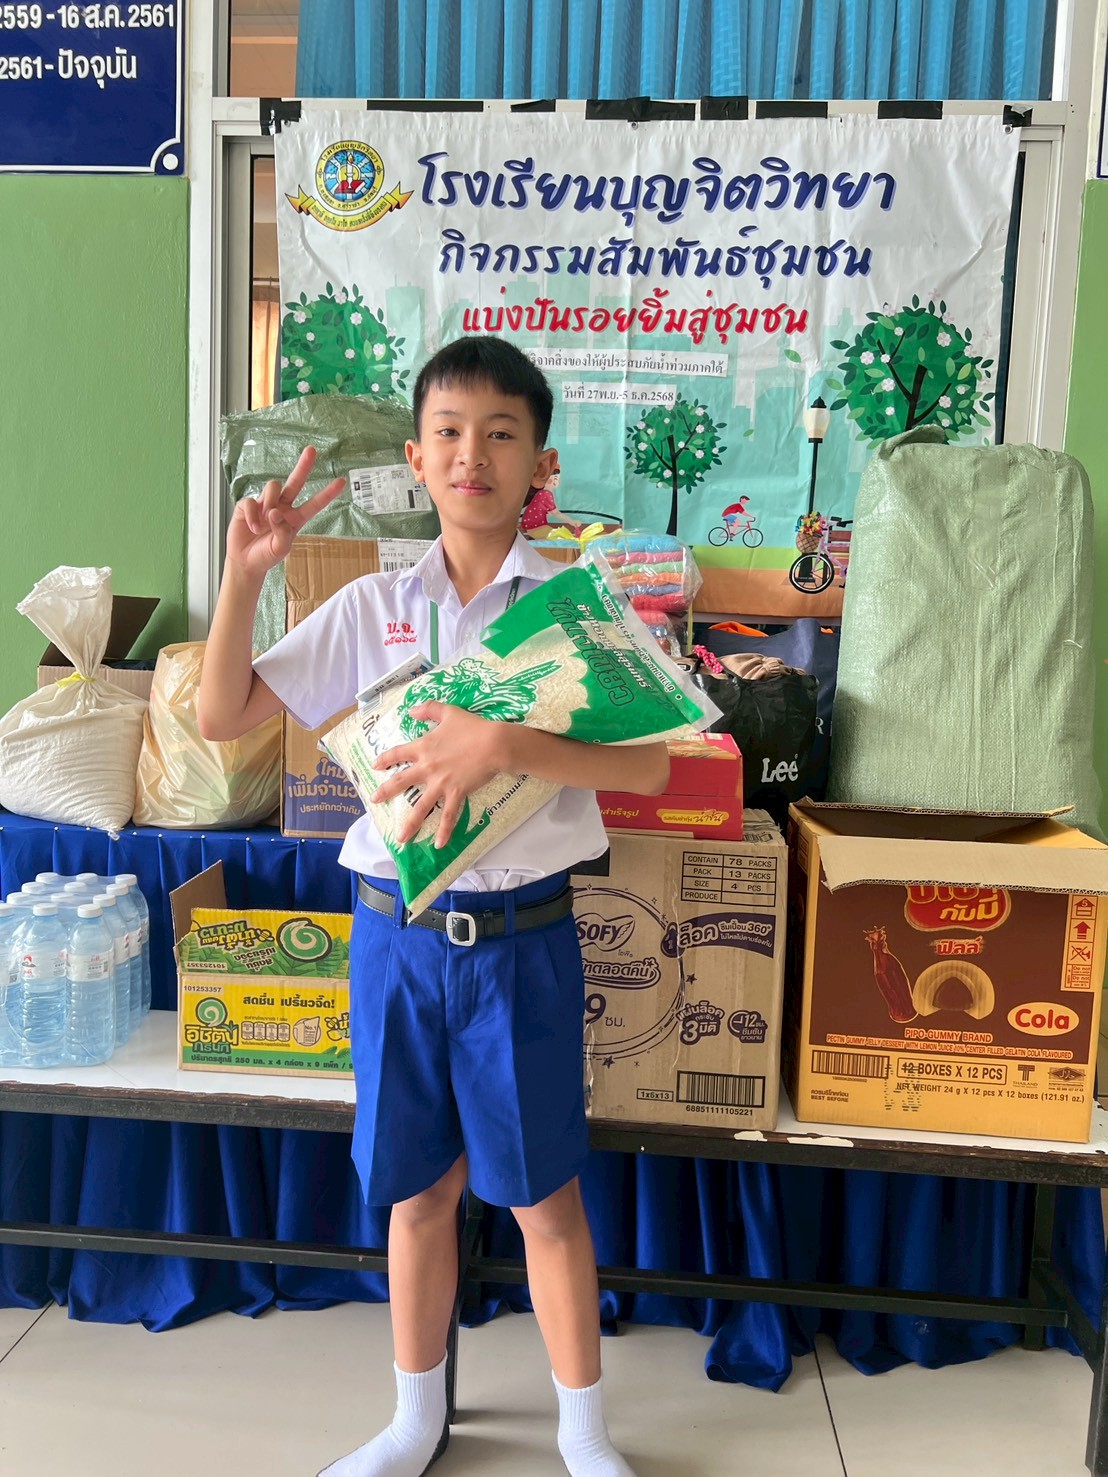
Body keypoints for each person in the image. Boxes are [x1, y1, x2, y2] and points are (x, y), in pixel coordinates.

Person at [198, 336, 668, 1477]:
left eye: (501, 434)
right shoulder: (371, 606)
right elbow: (221, 714)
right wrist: (245, 574)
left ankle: (583, 1433)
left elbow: (653, 769)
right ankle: (415, 1422)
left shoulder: (576, 610)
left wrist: (508, 743)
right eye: (449, 433)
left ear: (539, 463)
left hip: (524, 942)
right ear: (416, 459)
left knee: (543, 1200)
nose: (473, 455)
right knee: (416, 1192)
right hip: (396, 943)